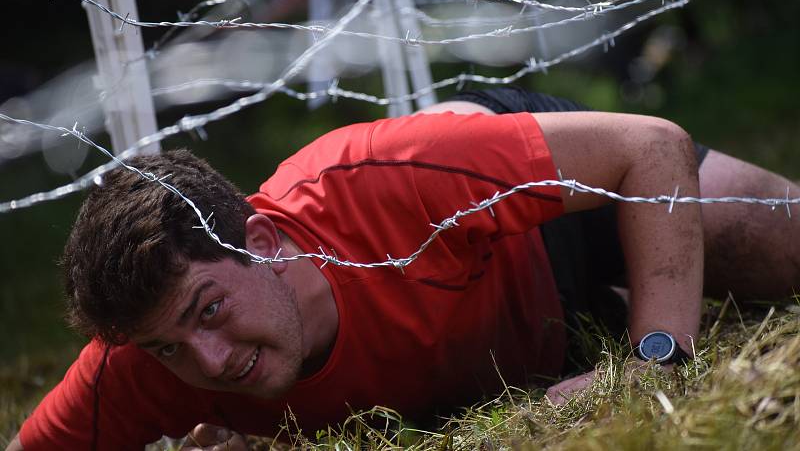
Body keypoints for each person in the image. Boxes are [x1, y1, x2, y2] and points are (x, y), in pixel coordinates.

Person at [7, 88, 799, 451]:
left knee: (779, 245)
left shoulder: (374, 180)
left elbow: (648, 145)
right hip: (516, 335)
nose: (207, 364)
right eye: (168, 349)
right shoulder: (149, 348)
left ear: (266, 242)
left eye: (208, 312)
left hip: (547, 231)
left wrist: (657, 355)